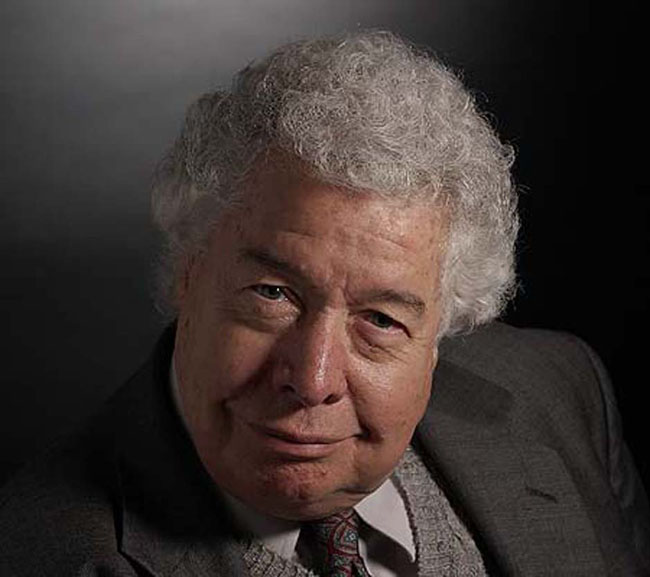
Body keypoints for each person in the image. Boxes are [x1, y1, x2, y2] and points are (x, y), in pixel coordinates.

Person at [1, 30, 648, 577]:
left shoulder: (560, 390)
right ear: (188, 272)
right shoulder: (45, 551)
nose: (312, 381)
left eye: (381, 320)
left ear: (441, 329)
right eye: (273, 294)